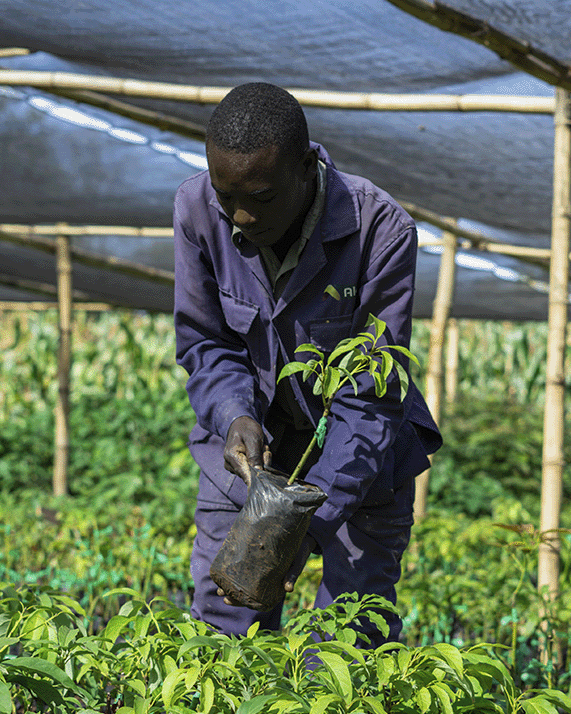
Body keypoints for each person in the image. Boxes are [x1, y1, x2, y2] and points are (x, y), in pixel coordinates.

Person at [173, 82, 441, 646]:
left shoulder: (379, 230)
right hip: (251, 463)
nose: (242, 216)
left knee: (347, 637)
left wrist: (299, 519)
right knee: (223, 630)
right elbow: (205, 342)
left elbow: (369, 388)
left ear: (305, 166)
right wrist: (234, 416)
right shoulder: (197, 210)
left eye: (263, 196)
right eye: (229, 197)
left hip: (362, 464)